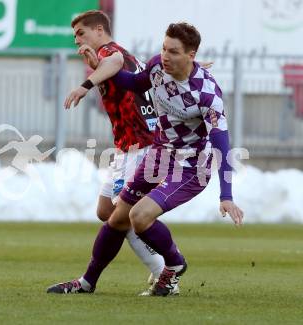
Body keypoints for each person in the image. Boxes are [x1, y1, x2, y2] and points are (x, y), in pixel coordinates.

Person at [47, 22, 244, 296]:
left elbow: (222, 144)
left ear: (191, 54)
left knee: (139, 217)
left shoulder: (207, 94)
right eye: (164, 49)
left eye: (173, 52)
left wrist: (226, 195)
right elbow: (132, 83)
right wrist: (97, 70)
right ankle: (87, 282)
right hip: (158, 155)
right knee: (117, 219)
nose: (165, 56)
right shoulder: (157, 67)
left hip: (190, 168)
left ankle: (173, 265)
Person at [63, 10, 165, 294]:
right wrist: (97, 68)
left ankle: (164, 269)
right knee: (106, 209)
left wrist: (85, 85)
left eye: (80, 33)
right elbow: (117, 70)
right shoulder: (111, 59)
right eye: (74, 36)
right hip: (127, 149)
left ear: (99, 30)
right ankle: (162, 260)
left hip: (140, 147)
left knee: (123, 216)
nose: (76, 40)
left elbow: (114, 60)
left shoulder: (114, 51)